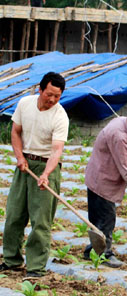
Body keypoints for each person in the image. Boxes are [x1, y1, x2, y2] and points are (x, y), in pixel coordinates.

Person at [0, 72, 68, 279]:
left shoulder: (60, 116)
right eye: (49, 94)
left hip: (46, 167)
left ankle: (36, 268)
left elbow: (57, 150)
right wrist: (19, 157)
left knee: (40, 221)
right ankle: (11, 261)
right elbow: (15, 132)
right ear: (40, 89)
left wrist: (46, 174)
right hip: (25, 166)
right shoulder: (25, 104)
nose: (52, 100)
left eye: (57, 96)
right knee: (13, 215)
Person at [84, 105, 127, 268]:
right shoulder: (119, 136)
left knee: (97, 221)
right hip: (103, 181)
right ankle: (105, 254)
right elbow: (126, 170)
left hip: (96, 177)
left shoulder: (120, 122)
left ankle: (91, 251)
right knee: (106, 219)